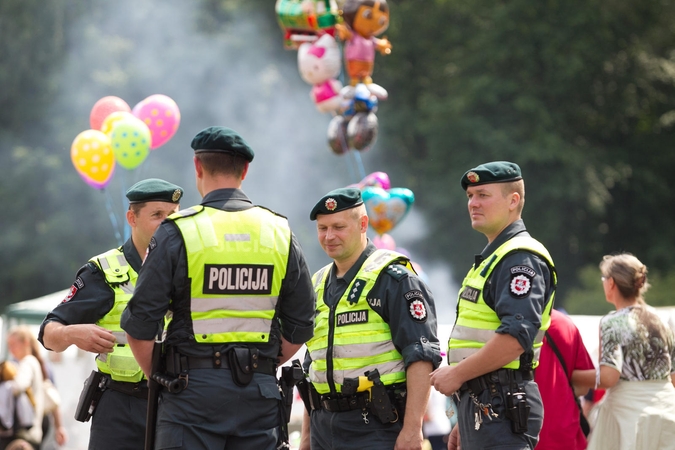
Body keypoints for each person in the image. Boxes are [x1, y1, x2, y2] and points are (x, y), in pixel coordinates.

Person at [120, 126, 316, 450]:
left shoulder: (176, 232)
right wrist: (259, 362)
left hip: (190, 394)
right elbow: (301, 324)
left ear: (198, 166)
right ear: (245, 170)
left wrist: (161, 376)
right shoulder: (279, 231)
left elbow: (140, 326)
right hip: (260, 393)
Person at [38, 178, 184, 450]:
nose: (167, 224)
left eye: (174, 215)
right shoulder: (101, 272)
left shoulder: (192, 268)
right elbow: (48, 334)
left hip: (179, 404)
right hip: (121, 408)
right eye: (157, 215)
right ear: (132, 218)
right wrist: (71, 333)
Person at [299, 187, 441, 450]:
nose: (329, 236)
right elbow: (314, 366)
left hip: (375, 428)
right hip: (322, 428)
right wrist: (306, 438)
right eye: (322, 228)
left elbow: (421, 357)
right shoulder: (316, 284)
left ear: (363, 224)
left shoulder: (395, 280)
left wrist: (412, 430)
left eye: (338, 227)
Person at [430, 161, 556, 450]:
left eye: (483, 195)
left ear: (513, 201)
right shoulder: (496, 256)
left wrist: (457, 375)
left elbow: (515, 339)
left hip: (501, 401)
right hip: (488, 403)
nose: (473, 203)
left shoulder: (520, 258)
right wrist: (465, 416)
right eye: (470, 196)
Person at [575, 253, 675, 450]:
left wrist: (572, 376)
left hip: (627, 418)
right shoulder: (663, 320)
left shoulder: (612, 322)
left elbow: (608, 377)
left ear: (611, 283)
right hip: (666, 412)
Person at [535, 308, 595, 450]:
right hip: (562, 433)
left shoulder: (499, 321)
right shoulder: (565, 325)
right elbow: (584, 387)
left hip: (512, 434)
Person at [5, 326, 47, 450]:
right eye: (9, 345)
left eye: (13, 344)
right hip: (32, 433)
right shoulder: (34, 362)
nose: (11, 349)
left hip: (23, 433)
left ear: (26, 343)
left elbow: (18, 386)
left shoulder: (27, 362)